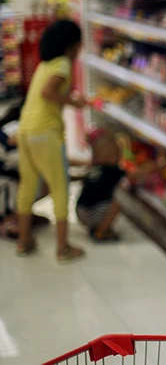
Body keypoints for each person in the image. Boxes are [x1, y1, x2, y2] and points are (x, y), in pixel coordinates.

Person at [16, 20, 88, 262]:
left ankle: (24, 241)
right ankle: (62, 248)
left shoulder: (45, 63)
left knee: (27, 186)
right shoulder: (63, 64)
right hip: (45, 132)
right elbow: (47, 92)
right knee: (60, 187)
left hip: (26, 130)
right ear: (72, 46)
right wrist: (73, 102)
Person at [74, 130, 125, 242]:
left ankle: (96, 226)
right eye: (118, 154)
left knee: (105, 200)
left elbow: (85, 183)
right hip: (91, 213)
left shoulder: (94, 169)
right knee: (118, 203)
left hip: (80, 210)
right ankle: (101, 232)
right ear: (109, 157)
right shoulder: (112, 171)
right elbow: (131, 177)